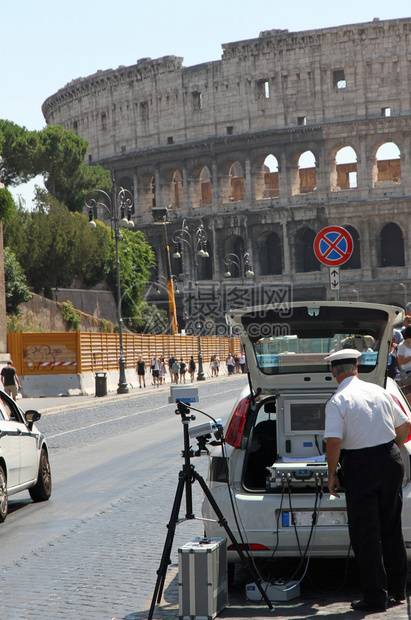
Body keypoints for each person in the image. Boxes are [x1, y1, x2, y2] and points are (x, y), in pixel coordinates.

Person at [324, 348, 410, 612]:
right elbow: (405, 425)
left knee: (366, 533)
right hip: (390, 459)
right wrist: (388, 450)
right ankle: (398, 590)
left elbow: (334, 442)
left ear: (333, 373)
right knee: (391, 528)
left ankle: (375, 598)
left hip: (360, 467)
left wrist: (331, 473)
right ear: (356, 368)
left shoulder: (338, 401)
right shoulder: (380, 391)